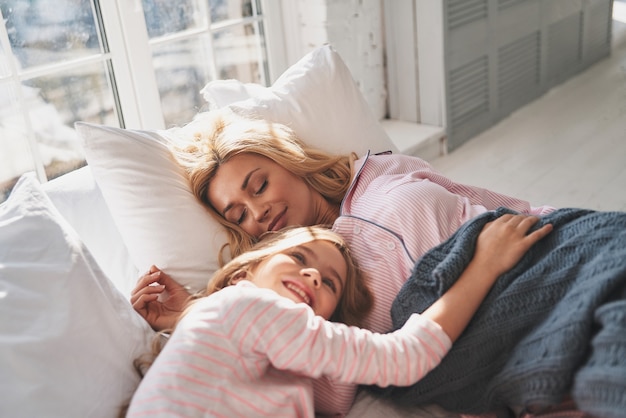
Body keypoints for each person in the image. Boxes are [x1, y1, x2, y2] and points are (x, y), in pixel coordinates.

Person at [131, 108, 556, 414]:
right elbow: (335, 385)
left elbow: (498, 207)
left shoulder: (381, 173)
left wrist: (558, 225)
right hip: (504, 342)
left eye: (258, 186)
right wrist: (190, 312)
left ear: (289, 161)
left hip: (547, 255)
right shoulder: (302, 298)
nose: (256, 212)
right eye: (239, 215)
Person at [127, 219, 552, 417]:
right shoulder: (245, 305)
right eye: (297, 257)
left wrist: (186, 312)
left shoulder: (241, 334)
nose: (312, 275)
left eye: (329, 284)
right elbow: (403, 357)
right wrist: (485, 264)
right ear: (244, 271)